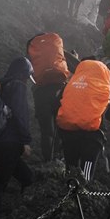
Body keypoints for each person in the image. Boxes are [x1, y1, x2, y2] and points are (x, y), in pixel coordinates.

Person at [55, 58, 110, 183]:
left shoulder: (71, 83)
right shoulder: (104, 87)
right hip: (92, 136)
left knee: (71, 171)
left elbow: (56, 104)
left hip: (68, 133)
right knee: (86, 174)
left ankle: (70, 197)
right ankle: (84, 195)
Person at [0, 57, 34, 219]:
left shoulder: (0, 85)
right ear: (24, 73)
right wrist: (26, 141)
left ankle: (23, 204)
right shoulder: (18, 85)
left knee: (27, 177)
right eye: (27, 75)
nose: (27, 79)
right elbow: (20, 114)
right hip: (10, 143)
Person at [26, 33, 71, 162]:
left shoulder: (32, 49)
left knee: (47, 131)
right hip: (60, 90)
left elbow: (27, 70)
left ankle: (48, 161)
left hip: (41, 93)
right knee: (60, 127)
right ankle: (58, 158)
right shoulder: (59, 51)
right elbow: (77, 66)